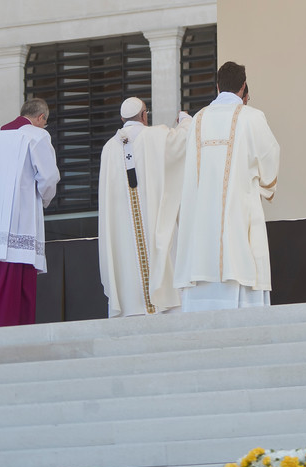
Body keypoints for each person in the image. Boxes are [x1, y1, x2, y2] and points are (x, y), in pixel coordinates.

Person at [174, 62, 280, 311]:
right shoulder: (252, 117)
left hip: (201, 240)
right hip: (239, 223)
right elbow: (270, 158)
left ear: (217, 86)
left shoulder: (198, 120)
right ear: (243, 87)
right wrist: (264, 186)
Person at [0, 98, 60, 329]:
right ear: (41, 118)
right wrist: (44, 200)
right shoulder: (37, 136)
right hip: (21, 222)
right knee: (17, 293)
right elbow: (48, 178)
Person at [98, 97, 192, 317]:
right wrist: (185, 119)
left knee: (125, 253)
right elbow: (183, 140)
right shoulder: (156, 135)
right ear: (144, 115)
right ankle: (160, 302)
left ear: (122, 118)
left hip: (123, 230)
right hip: (154, 217)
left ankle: (131, 306)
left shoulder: (109, 148)